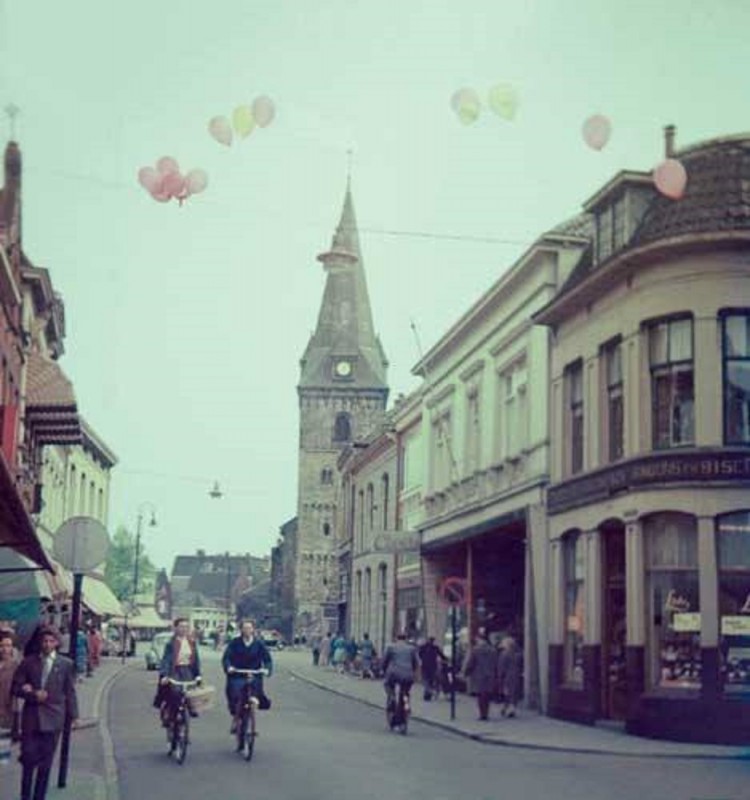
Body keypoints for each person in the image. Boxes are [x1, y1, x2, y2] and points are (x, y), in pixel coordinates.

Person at [11, 626, 78, 800]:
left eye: (51, 641)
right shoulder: (28, 662)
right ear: (40, 643)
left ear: (57, 643)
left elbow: (70, 692)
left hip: (53, 719)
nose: (47, 644)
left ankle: (39, 797)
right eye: (44, 641)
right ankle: (25, 796)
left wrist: (74, 716)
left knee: (45, 765)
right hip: (31, 720)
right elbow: (15, 688)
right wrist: (31, 693)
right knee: (27, 762)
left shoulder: (65, 664)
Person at [222, 619, 273, 734]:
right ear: (241, 630)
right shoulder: (235, 643)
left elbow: (267, 659)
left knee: (256, 693)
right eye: (245, 628)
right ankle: (236, 717)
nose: (247, 630)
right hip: (237, 674)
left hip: (254, 674)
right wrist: (229, 667)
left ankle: (252, 720)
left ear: (253, 629)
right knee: (235, 693)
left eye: (249, 628)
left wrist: (266, 669)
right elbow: (226, 658)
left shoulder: (259, 644)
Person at [157, 618, 202, 725]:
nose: (184, 629)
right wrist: (165, 675)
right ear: (176, 628)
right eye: (181, 626)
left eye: (186, 627)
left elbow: (196, 659)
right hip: (175, 670)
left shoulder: (192, 642)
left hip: (187, 670)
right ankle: (169, 714)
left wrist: (198, 675)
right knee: (175, 692)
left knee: (190, 692)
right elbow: (166, 659)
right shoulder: (171, 643)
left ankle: (189, 711)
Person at [464, 630, 498, 721]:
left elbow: (471, 663)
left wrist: (466, 672)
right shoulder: (493, 650)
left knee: (480, 696)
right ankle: (486, 713)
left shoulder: (476, 650)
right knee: (487, 695)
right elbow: (496, 664)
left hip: (479, 676)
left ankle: (482, 714)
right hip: (490, 675)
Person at [381, 632, 419, 711]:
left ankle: (392, 697)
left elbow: (385, 661)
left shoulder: (391, 647)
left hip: (394, 673)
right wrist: (414, 673)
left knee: (387, 684)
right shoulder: (412, 648)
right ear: (406, 639)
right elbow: (416, 663)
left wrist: (383, 670)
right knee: (406, 690)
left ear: (396, 638)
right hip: (408, 674)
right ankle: (406, 703)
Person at [497, 635, 522, 718]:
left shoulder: (504, 654)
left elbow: (501, 667)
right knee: (514, 693)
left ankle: (508, 708)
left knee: (507, 693)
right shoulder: (518, 654)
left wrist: (499, 677)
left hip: (507, 677)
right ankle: (510, 708)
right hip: (517, 675)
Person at [0, 628, 20, 732]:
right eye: (1, 646)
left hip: (7, 711)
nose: (4, 649)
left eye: (8, 646)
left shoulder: (16, 666)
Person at [418, 636, 447, 700]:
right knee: (430, 679)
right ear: (433, 641)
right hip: (433, 666)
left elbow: (419, 654)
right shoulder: (435, 648)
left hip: (425, 666)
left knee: (426, 680)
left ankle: (427, 693)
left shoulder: (423, 647)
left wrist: (422, 660)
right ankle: (428, 693)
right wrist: (446, 659)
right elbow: (441, 655)